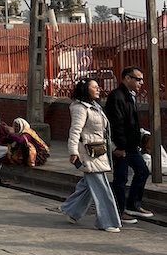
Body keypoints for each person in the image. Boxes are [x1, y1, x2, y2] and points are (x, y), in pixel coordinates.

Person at [59, 79, 121, 232]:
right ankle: (107, 221)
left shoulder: (95, 107)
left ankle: (71, 211)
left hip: (99, 151)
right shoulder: (80, 108)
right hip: (88, 153)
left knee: (88, 185)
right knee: (101, 187)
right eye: (94, 87)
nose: (98, 89)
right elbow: (75, 131)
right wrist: (73, 151)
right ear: (85, 89)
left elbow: (103, 133)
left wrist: (112, 147)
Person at [104, 66, 152, 220]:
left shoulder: (130, 96)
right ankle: (119, 210)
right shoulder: (116, 97)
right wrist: (119, 146)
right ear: (127, 78)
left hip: (132, 145)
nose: (141, 83)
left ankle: (133, 204)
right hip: (121, 147)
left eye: (141, 79)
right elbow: (116, 124)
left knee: (143, 171)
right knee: (120, 178)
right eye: (138, 79)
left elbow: (132, 122)